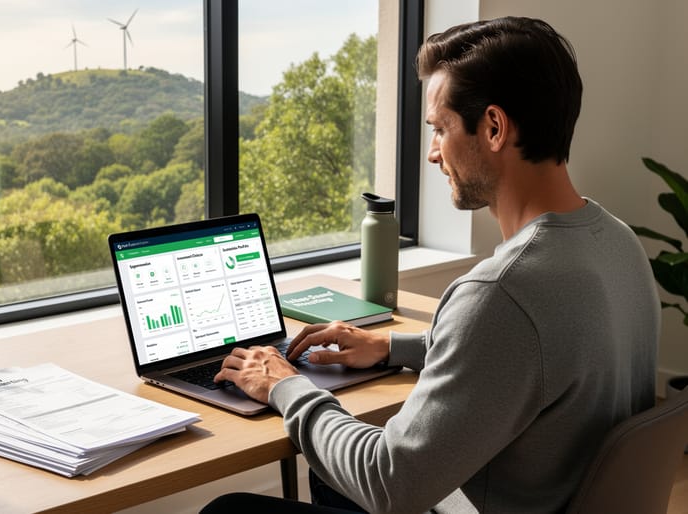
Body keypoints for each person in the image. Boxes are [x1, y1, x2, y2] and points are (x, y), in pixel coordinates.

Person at [202, 16, 660, 514]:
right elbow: (538, 354)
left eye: (439, 129)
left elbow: (389, 484)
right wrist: (393, 347)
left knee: (230, 510)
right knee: (333, 475)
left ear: (493, 127)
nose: (432, 154)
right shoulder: (616, 241)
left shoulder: (501, 292)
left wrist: (284, 385)